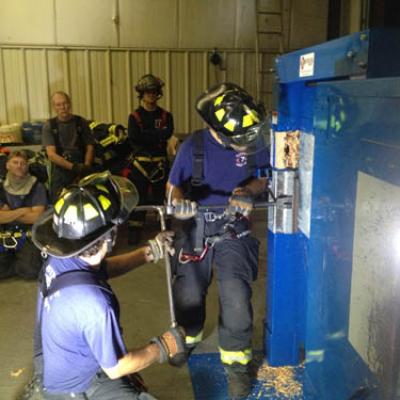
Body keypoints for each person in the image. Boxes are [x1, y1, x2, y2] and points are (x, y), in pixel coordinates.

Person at [24, 172, 186, 400]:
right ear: (109, 237)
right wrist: (162, 347)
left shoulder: (62, 255)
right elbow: (117, 367)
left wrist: (149, 252)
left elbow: (100, 269)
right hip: (75, 386)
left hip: (53, 360)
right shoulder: (95, 303)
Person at [166, 83, 270, 399]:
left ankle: (237, 364)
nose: (246, 145)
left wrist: (249, 191)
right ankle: (189, 337)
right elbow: (172, 188)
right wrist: (179, 202)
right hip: (194, 226)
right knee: (189, 293)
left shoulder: (251, 137)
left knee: (237, 294)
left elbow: (264, 174)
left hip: (233, 227)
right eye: (238, 142)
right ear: (216, 128)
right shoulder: (193, 147)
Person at [126, 74, 174, 244]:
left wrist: (146, 135)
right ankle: (134, 229)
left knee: (162, 196)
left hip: (160, 164)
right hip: (140, 165)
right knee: (139, 197)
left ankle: (164, 228)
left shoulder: (166, 116)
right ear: (142, 94)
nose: (151, 95)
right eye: (147, 92)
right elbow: (134, 138)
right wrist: (156, 137)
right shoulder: (134, 116)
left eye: (154, 92)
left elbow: (167, 134)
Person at [0, 150, 47, 279]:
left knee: (30, 271)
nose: (19, 166)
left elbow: (36, 217)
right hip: (4, 234)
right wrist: (23, 211)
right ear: (7, 165)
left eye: (23, 163)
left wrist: (8, 214)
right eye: (15, 162)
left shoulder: (37, 187)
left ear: (27, 167)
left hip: (29, 236)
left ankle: (17, 261)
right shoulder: (1, 187)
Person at [42, 91, 95, 203]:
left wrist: (86, 165)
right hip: (61, 169)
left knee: (87, 200)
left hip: (82, 166)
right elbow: (51, 154)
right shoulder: (49, 126)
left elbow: (89, 146)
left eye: (65, 103)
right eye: (58, 104)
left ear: (69, 104)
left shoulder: (81, 122)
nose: (63, 107)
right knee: (59, 202)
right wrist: (73, 167)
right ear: (54, 107)